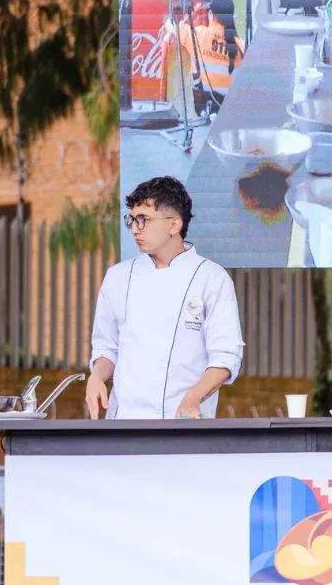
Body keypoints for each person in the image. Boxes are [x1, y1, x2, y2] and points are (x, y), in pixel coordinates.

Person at [87, 177, 245, 420]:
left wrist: (193, 397)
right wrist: (96, 377)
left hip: (184, 422)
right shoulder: (117, 277)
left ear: (174, 225)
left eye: (144, 220)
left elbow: (226, 357)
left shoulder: (211, 278)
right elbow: (107, 348)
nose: (134, 229)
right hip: (124, 425)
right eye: (132, 220)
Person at [162, 0, 245, 110]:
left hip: (203, 107)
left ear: (211, 14)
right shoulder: (241, 46)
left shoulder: (198, 35)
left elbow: (169, 24)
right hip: (230, 110)